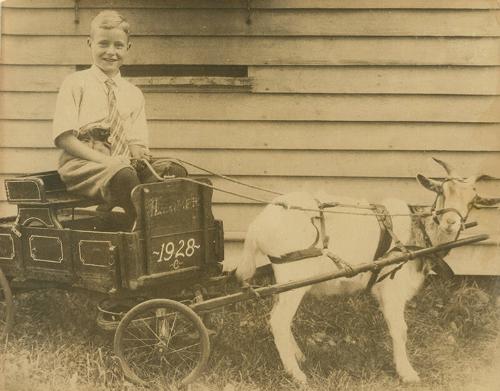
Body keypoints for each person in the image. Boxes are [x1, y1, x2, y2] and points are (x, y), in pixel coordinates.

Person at [52, 10, 186, 228]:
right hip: (83, 165)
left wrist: (138, 152)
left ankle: (155, 226)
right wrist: (107, 161)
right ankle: (146, 228)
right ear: (90, 44)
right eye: (103, 44)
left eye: (118, 46)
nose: (110, 52)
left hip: (124, 165)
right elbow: (65, 139)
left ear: (128, 48)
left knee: (173, 170)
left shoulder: (133, 93)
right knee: (124, 175)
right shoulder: (76, 83)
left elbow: (136, 142)